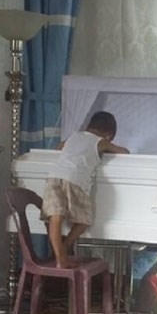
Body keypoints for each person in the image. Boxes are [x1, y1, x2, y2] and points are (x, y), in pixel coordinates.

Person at [41, 111, 129, 268]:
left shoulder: (74, 136)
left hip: (53, 177)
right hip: (75, 180)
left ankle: (60, 257)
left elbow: (59, 147)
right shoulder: (101, 142)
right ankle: (66, 246)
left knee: (55, 217)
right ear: (109, 134)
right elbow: (124, 152)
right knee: (84, 220)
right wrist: (107, 146)